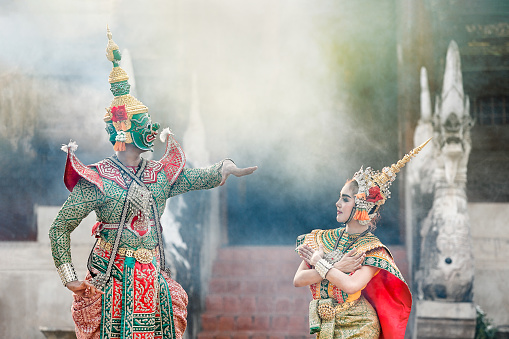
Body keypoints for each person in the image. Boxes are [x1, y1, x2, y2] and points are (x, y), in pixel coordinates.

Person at [49, 28, 257, 339]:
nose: (152, 128)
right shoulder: (99, 179)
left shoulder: (158, 174)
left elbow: (190, 178)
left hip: (154, 278)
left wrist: (222, 169)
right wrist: (70, 278)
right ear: (124, 129)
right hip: (113, 281)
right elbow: (59, 227)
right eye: (145, 124)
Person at [294, 139, 430, 339]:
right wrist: (337, 266)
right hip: (326, 326)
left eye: (345, 199)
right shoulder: (322, 238)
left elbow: (350, 285)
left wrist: (319, 263)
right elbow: (299, 280)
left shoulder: (373, 250)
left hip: (360, 326)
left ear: (362, 207)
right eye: (340, 197)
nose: (337, 203)